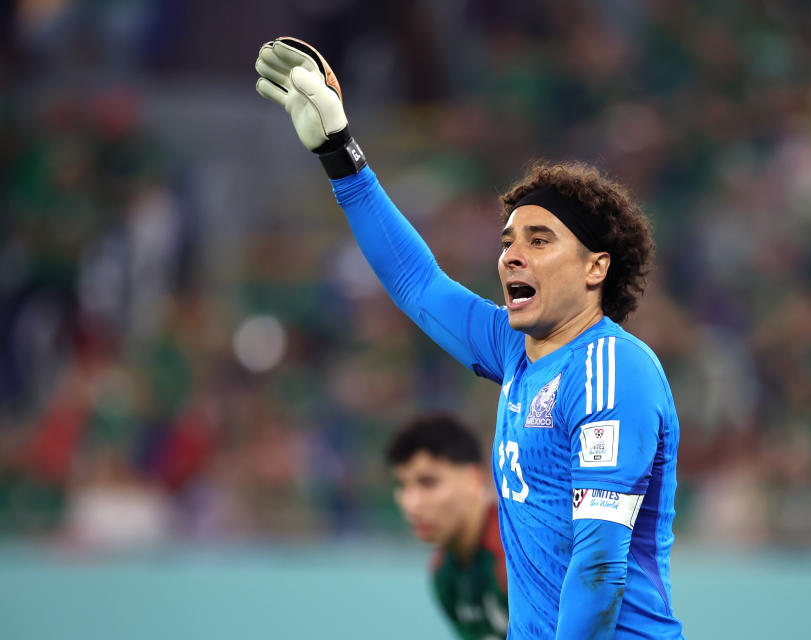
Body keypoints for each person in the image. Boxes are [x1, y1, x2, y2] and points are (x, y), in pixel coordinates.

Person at [255, 37, 684, 639]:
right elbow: (416, 281)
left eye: (539, 240)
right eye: (508, 240)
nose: (511, 254)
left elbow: (600, 564)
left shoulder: (616, 369)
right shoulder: (517, 352)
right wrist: (338, 152)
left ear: (596, 267)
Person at [387, 413, 508, 640]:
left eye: (428, 482)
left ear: (474, 479)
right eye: (402, 485)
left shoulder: (515, 555)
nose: (412, 504)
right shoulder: (443, 575)